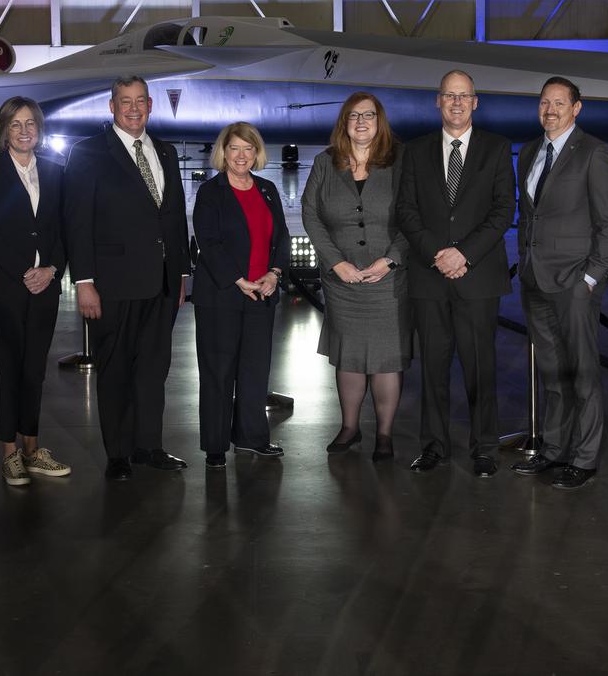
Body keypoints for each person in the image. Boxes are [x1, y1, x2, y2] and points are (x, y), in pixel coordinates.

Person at [63, 75, 190, 481]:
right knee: (115, 370)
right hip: (112, 283)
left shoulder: (166, 152)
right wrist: (83, 281)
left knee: (153, 370)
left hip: (162, 283)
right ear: (112, 106)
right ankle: (117, 453)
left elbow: (173, 217)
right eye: (124, 101)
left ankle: (148, 446)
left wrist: (183, 272)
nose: (133, 109)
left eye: (140, 101)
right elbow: (77, 222)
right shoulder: (88, 153)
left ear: (151, 105)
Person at [396, 70, 514, 477]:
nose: (457, 103)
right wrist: (437, 254)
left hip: (477, 276)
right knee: (432, 367)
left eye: (464, 96)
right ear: (438, 101)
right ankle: (434, 446)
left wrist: (463, 254)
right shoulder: (415, 151)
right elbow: (406, 212)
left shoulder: (497, 149)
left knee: (481, 366)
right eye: (449, 95)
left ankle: (484, 448)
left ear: (475, 102)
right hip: (429, 279)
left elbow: (503, 211)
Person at [509, 77, 608, 490]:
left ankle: (586, 457)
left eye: (559, 103)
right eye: (544, 102)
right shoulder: (529, 152)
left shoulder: (595, 153)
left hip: (576, 282)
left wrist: (591, 278)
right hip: (535, 279)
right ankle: (554, 450)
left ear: (577, 108)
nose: (550, 110)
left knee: (583, 371)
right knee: (553, 370)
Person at [301, 93, 410, 462]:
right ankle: (349, 427)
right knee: (348, 358)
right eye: (353, 116)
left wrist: (391, 260)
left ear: (380, 121)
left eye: (369, 115)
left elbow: (417, 215)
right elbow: (310, 214)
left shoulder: (401, 160)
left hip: (388, 281)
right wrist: (336, 263)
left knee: (385, 359)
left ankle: (384, 433)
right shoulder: (324, 163)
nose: (361, 122)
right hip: (342, 280)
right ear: (343, 122)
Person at [0, 97, 71, 486]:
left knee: (35, 368)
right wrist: (24, 272)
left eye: (30, 123)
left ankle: (33, 451)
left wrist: (51, 270)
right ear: (4, 131)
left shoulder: (56, 171)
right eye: (16, 124)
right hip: (7, 284)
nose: (25, 130)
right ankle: (10, 454)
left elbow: (65, 230)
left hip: (45, 283)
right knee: (11, 366)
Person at [192, 122, 290, 469]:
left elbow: (282, 239)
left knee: (254, 371)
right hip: (221, 296)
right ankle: (215, 445)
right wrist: (238, 280)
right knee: (218, 372)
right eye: (235, 148)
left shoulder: (267, 190)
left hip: (261, 295)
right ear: (224, 152)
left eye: (248, 149)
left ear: (256, 153)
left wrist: (274, 274)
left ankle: (252, 437)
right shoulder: (211, 192)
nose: (242, 155)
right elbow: (209, 242)